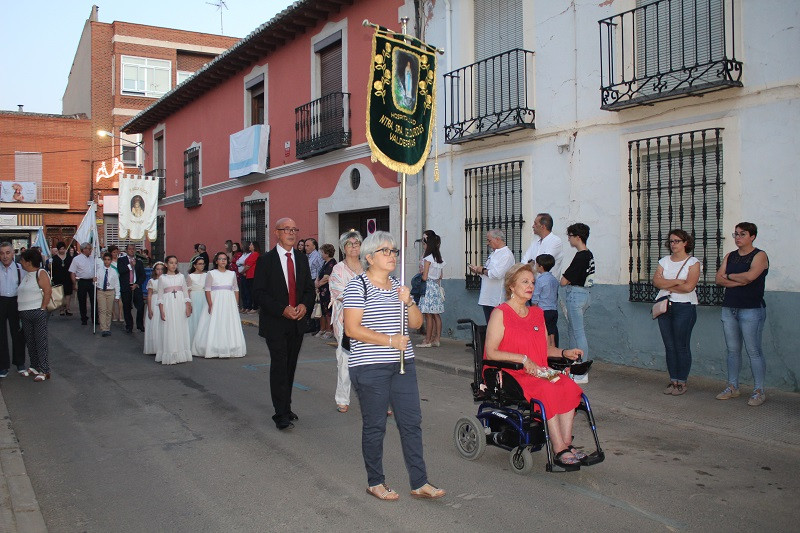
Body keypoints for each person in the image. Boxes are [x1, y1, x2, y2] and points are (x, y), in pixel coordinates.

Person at [343, 231, 445, 501]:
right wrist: (389, 340)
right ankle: (375, 481)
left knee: (411, 422)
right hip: (370, 366)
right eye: (385, 251)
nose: (392, 256)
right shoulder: (358, 286)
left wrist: (408, 300)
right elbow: (352, 329)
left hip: (402, 363)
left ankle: (419, 481)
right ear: (369, 257)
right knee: (376, 424)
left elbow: (416, 324)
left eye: (394, 251)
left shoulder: (399, 286)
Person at [484, 263, 586, 468]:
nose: (530, 286)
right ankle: (558, 450)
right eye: (525, 282)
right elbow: (491, 351)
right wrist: (522, 359)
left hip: (537, 370)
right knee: (547, 389)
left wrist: (565, 352)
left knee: (568, 386)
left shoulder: (537, 313)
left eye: (532, 282)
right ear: (511, 286)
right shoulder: (500, 313)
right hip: (510, 372)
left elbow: (544, 350)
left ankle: (566, 444)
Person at [252, 217, 315, 431]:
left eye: (294, 229)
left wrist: (304, 306)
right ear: (277, 233)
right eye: (286, 229)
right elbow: (258, 293)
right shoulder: (266, 260)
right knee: (279, 365)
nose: (291, 232)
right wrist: (282, 309)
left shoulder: (301, 258)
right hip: (276, 323)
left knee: (290, 366)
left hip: (297, 322)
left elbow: (308, 288)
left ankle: (286, 407)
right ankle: (280, 414)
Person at [714, 222, 770, 406]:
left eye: (742, 234)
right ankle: (732, 386)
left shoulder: (759, 256)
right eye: (736, 234)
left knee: (754, 351)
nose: (738, 237)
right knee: (732, 350)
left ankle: (759, 390)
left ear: (752, 236)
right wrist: (738, 280)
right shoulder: (730, 256)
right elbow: (718, 279)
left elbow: (750, 277)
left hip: (751, 309)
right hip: (730, 308)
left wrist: (730, 277)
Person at [652, 230, 702, 396]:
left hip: (685, 307)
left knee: (681, 345)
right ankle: (673, 380)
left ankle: (682, 381)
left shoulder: (693, 262)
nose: (673, 244)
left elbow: (689, 287)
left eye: (677, 241)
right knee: (669, 346)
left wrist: (666, 284)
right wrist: (675, 282)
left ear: (685, 243)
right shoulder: (664, 261)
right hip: (665, 306)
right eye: (671, 241)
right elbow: (656, 281)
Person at [329, 230, 364, 413]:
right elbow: (339, 292)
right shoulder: (338, 269)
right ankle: (342, 398)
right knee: (346, 359)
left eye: (356, 243)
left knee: (374, 361)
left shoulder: (368, 266)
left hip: (370, 319)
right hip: (346, 319)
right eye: (350, 244)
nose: (353, 247)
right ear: (343, 248)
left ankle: (379, 400)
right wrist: (364, 297)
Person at [192, 252, 246, 358]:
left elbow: (235, 289)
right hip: (216, 300)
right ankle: (213, 346)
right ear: (216, 261)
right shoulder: (211, 273)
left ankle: (231, 346)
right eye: (220, 259)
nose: (223, 261)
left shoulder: (232, 274)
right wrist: (210, 304)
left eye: (225, 259)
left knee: (227, 322)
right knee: (215, 322)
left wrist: (235, 304)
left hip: (228, 301)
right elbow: (207, 289)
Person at [560, 223, 595, 360]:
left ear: (578, 237)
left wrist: (565, 279)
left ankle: (581, 367)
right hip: (584, 294)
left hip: (576, 295)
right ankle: (575, 363)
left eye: (570, 236)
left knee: (578, 333)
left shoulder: (581, 256)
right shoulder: (589, 254)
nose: (569, 239)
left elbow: (564, 281)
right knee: (573, 331)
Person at [17, 249, 52, 382]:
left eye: (22, 260)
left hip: (37, 312)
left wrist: (42, 308)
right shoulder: (26, 275)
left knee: (40, 341)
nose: (20, 262)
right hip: (25, 312)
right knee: (30, 341)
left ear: (29, 262)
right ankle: (34, 366)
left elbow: (47, 291)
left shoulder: (41, 272)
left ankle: (45, 370)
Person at [468, 229, 515, 323]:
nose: (487, 243)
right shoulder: (493, 254)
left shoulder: (506, 255)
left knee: (496, 326)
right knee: (490, 325)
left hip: (496, 298)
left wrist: (482, 270)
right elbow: (488, 272)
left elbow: (497, 274)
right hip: (487, 297)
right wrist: (478, 271)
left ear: (497, 239)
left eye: (489, 240)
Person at [156, 256, 193, 365]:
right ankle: (171, 353)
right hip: (168, 305)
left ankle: (181, 353)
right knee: (169, 327)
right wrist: (161, 310)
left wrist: (188, 307)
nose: (173, 265)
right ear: (166, 264)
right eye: (171, 263)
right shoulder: (162, 278)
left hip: (179, 305)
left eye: (175, 263)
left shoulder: (181, 277)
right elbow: (160, 296)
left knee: (180, 326)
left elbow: (186, 293)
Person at [0, 242, 25, 377]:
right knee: (1, 335)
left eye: (7, 253)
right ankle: (3, 366)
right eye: (2, 253)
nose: (5, 256)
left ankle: (20, 362)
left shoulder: (20, 268)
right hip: (1, 301)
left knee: (18, 333)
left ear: (13, 253)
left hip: (16, 302)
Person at [417, 230, 445, 348]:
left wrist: (422, 273)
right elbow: (441, 276)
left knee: (428, 315)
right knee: (436, 315)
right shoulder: (438, 257)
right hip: (436, 287)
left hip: (428, 286)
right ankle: (436, 339)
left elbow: (424, 276)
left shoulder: (428, 257)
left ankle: (427, 340)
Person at [522, 213, 564, 280]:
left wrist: (531, 264)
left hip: (547, 285)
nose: (533, 226)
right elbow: (524, 261)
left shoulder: (555, 241)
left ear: (543, 226)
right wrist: (531, 264)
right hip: (533, 284)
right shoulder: (535, 241)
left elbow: (543, 264)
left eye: (535, 224)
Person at [530, 253, 559, 347]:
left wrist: (533, 310)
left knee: (543, 334)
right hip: (553, 310)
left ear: (541, 267)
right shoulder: (554, 279)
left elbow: (535, 297)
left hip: (543, 311)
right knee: (552, 334)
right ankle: (554, 353)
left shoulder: (540, 280)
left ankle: (545, 354)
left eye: (537, 264)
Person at [118, 244, 146, 333]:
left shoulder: (139, 262)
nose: (131, 251)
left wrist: (137, 284)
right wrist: (130, 265)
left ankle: (140, 324)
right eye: (130, 249)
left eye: (133, 249)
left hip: (136, 286)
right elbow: (121, 271)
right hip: (126, 286)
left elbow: (143, 275)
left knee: (141, 306)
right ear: (126, 250)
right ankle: (129, 326)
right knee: (127, 307)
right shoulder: (122, 260)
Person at [69, 242, 97, 326]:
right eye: (89, 248)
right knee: (82, 300)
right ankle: (84, 318)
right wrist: (74, 283)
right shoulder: (76, 259)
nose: (90, 250)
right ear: (84, 249)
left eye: (91, 248)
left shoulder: (93, 258)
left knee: (94, 300)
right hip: (82, 281)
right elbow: (72, 272)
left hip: (91, 281)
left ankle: (95, 318)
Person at [94, 252, 121, 338]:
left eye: (108, 260)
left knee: (109, 311)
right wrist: (94, 281)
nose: (107, 261)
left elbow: (117, 283)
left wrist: (117, 295)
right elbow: (96, 283)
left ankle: (108, 327)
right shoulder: (99, 270)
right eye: (105, 259)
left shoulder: (114, 271)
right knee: (102, 310)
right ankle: (104, 328)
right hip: (101, 291)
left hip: (110, 291)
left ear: (111, 260)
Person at [314, 244, 337, 339]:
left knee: (328, 310)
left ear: (327, 253)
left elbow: (327, 277)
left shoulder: (332, 263)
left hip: (327, 290)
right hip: (322, 290)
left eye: (322, 252)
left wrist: (318, 284)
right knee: (322, 310)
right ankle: (322, 329)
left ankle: (329, 330)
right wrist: (316, 282)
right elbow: (320, 274)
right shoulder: (325, 263)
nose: (321, 254)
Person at [144, 262, 165, 356]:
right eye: (157, 269)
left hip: (164, 301)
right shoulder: (152, 281)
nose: (159, 271)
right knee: (155, 323)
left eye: (161, 269)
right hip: (155, 301)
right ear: (154, 271)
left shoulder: (166, 279)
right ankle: (155, 346)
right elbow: (149, 296)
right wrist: (149, 308)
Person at [186, 256, 208, 346]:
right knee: (195, 318)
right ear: (195, 265)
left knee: (204, 318)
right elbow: (188, 290)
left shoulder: (207, 275)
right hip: (195, 297)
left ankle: (203, 342)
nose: (202, 266)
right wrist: (189, 304)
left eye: (203, 264)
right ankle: (194, 342)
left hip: (204, 297)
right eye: (200, 264)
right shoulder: (191, 276)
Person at [305, 238, 324, 335]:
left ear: (314, 246)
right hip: (308, 281)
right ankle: (310, 325)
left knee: (315, 304)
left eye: (308, 246)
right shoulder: (308, 256)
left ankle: (316, 327)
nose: (306, 247)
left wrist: (317, 282)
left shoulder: (317, 256)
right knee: (309, 303)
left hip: (314, 281)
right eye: (305, 245)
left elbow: (320, 270)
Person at [51, 242, 73, 316]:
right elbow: (52, 269)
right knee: (60, 294)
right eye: (60, 249)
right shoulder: (54, 258)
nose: (62, 251)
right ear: (58, 249)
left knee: (68, 293)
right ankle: (61, 309)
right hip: (58, 278)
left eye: (63, 249)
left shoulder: (69, 257)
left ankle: (67, 308)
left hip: (67, 277)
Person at [241, 241, 261, 314]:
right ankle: (250, 306)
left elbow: (248, 265)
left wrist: (242, 272)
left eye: (251, 245)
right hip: (248, 275)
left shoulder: (255, 254)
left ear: (254, 246)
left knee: (253, 292)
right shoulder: (251, 254)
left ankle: (255, 307)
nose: (249, 246)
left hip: (253, 275)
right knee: (249, 291)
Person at [107, 245, 123, 322]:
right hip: (112, 281)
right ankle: (113, 314)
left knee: (120, 298)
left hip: (120, 281)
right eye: (114, 252)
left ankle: (120, 314)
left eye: (116, 252)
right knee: (113, 298)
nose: (115, 254)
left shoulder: (121, 261)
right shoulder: (109, 262)